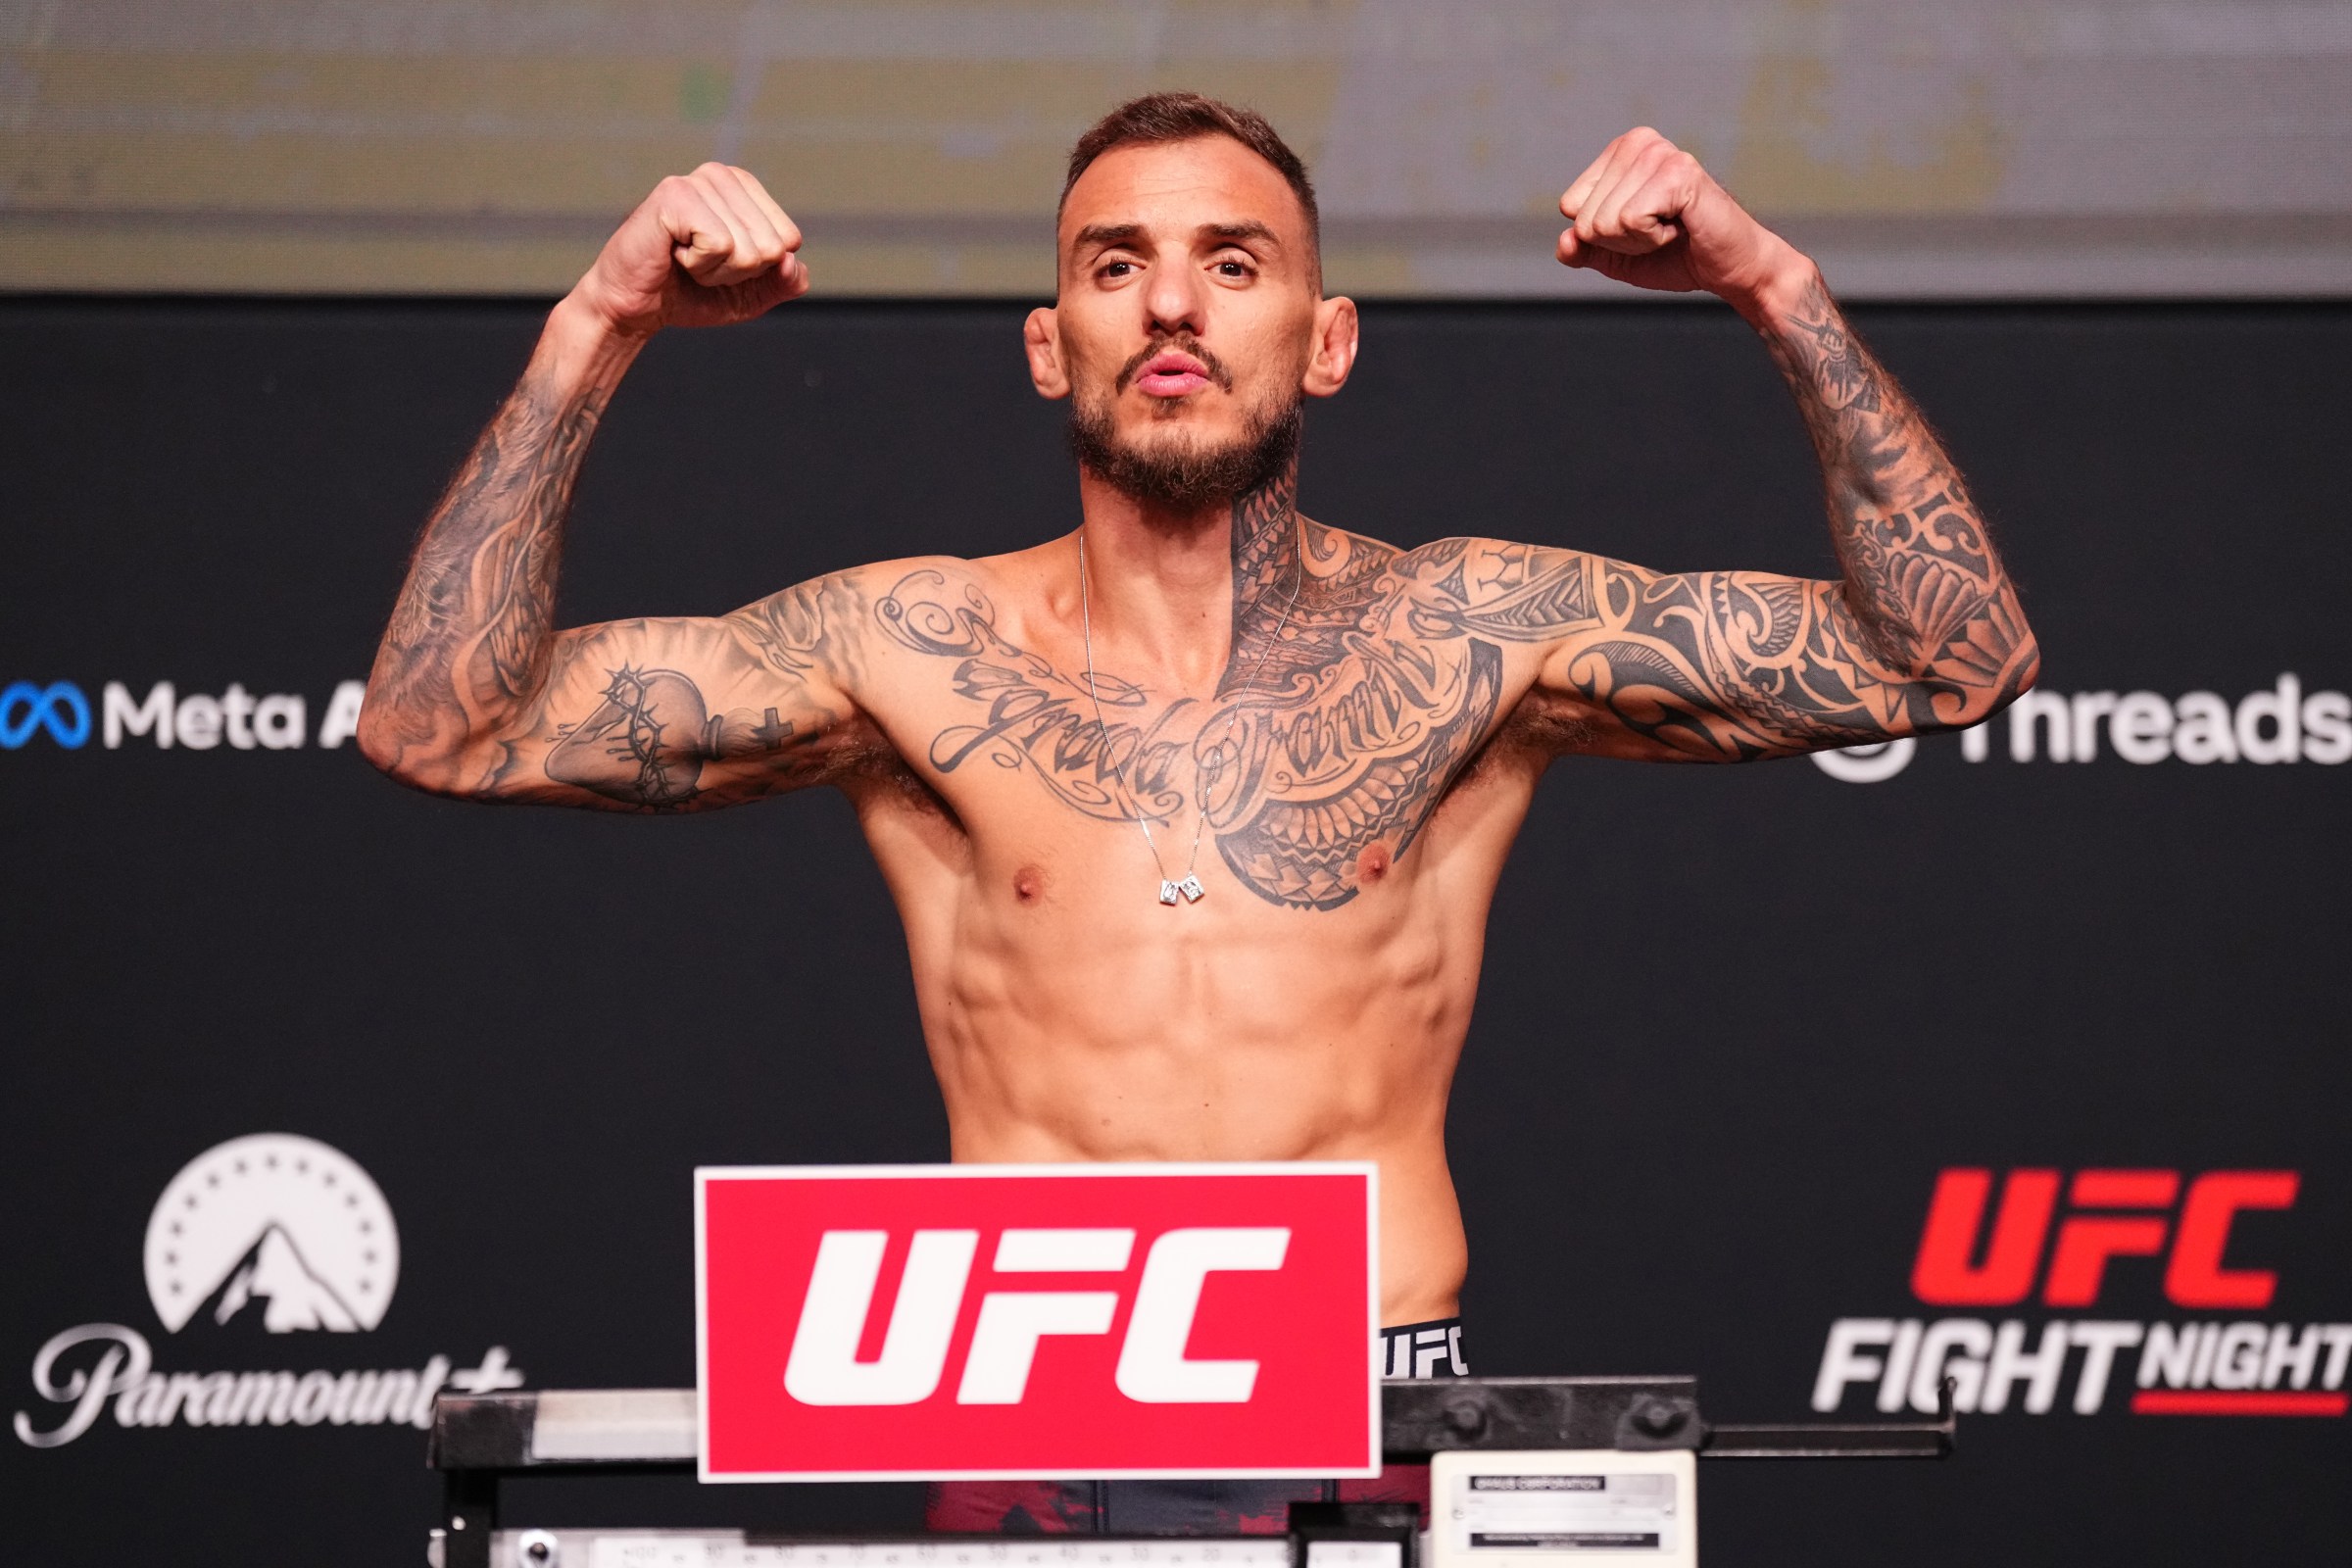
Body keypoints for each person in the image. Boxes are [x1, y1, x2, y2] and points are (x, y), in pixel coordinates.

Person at [359, 93, 2037, 1532]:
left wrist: (1771, 281)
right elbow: (448, 727)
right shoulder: (905, 649)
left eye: (1234, 262)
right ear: (1049, 346)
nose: (1173, 303)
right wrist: (596, 327)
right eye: (1115, 267)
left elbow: (1953, 660)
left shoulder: (1475, 636)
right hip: (1025, 1399)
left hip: (1375, 1404)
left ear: (1327, 337)